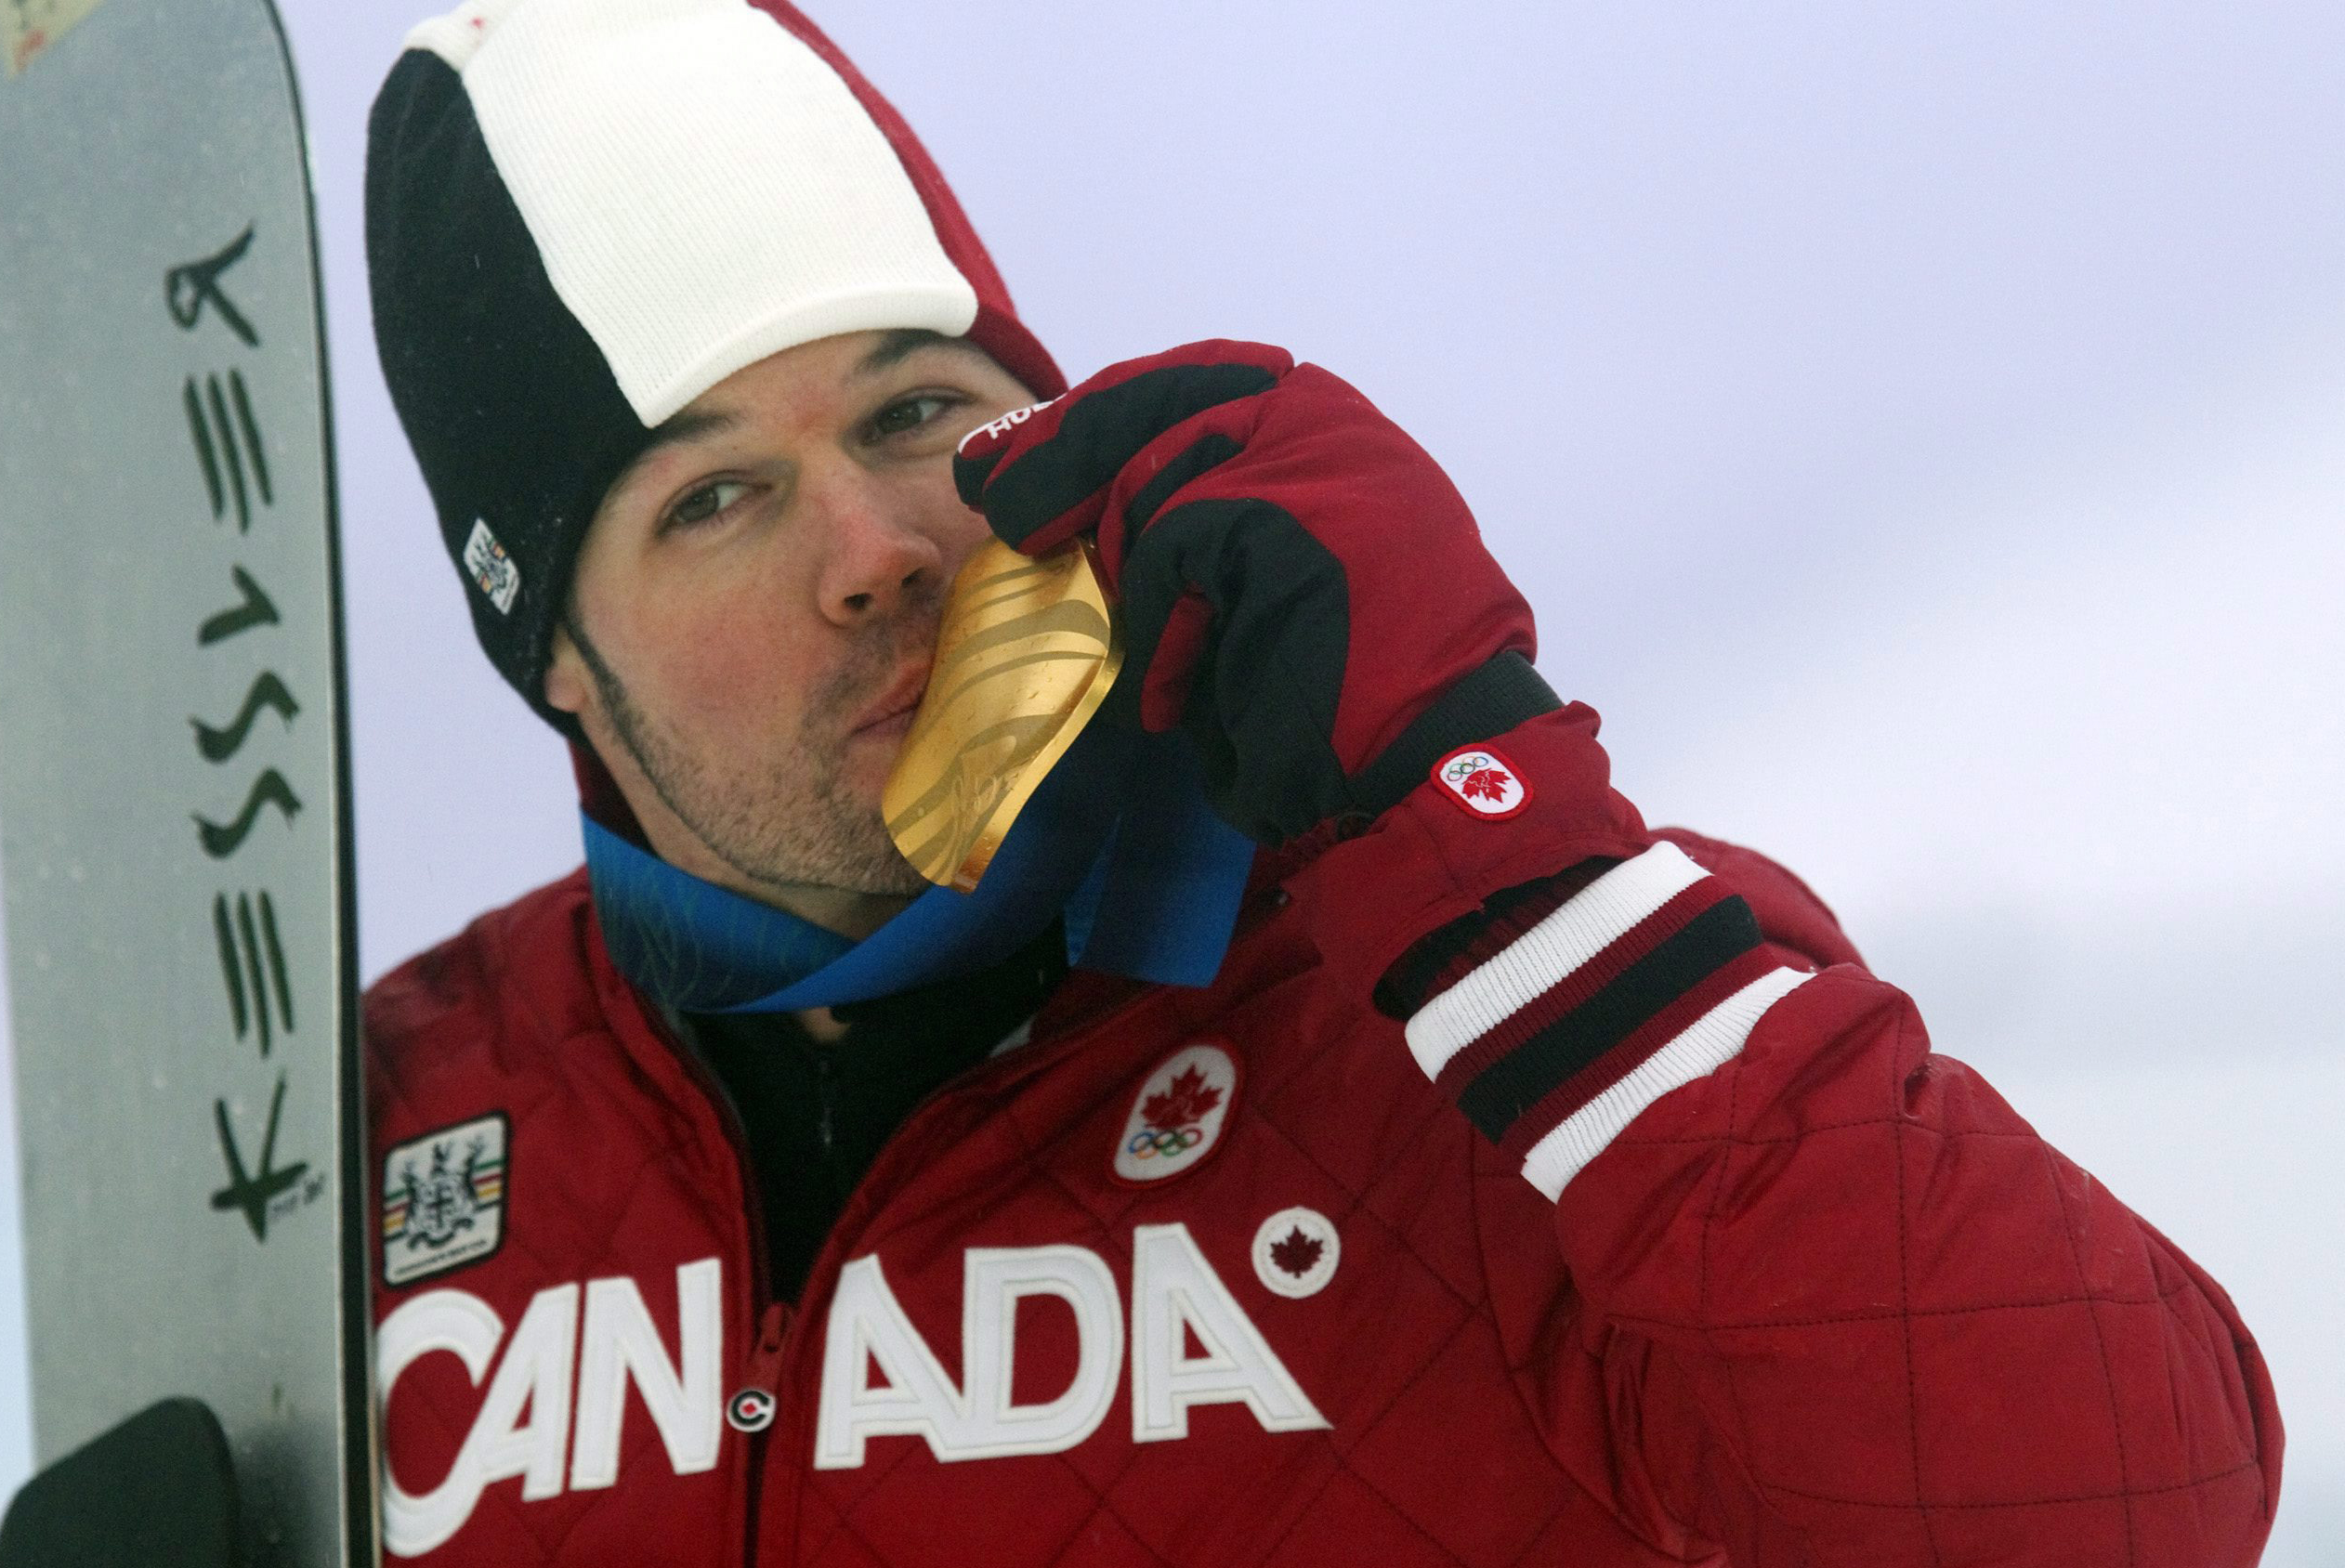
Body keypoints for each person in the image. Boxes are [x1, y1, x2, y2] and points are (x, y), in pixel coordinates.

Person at [360, 1, 2281, 1562]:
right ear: (554, 659)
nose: (874, 545)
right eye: (714, 495)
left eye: (913, 411)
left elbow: (2132, 1511)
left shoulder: (1509, 995)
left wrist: (1484, 818)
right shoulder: (398, 1128)